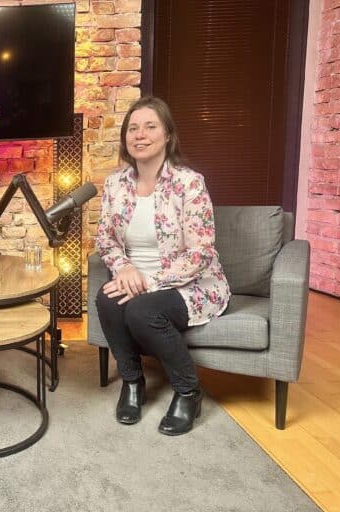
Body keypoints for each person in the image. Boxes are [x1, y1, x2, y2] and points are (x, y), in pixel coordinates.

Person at [95, 96, 230, 436]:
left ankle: (188, 391)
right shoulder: (115, 184)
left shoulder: (189, 183)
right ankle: (133, 382)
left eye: (150, 127)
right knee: (106, 299)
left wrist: (150, 281)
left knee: (142, 310)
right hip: (134, 279)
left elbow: (201, 252)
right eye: (133, 128)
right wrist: (124, 269)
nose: (139, 135)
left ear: (167, 135)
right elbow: (106, 239)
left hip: (190, 284)